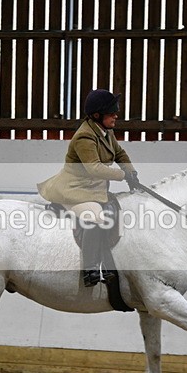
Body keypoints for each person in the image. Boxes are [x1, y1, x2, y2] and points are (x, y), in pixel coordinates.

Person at [37, 89, 143, 287]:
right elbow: (94, 169)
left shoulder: (106, 132)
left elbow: (120, 154)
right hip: (74, 191)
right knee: (96, 218)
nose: (116, 115)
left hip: (93, 189)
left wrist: (132, 173)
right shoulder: (84, 137)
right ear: (97, 115)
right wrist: (122, 175)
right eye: (111, 112)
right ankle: (90, 269)